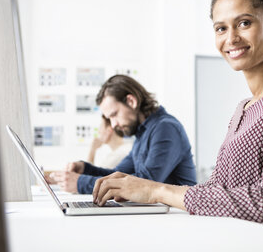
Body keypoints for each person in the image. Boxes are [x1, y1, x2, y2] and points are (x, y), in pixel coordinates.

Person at [92, 0, 263, 229]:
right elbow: (217, 187)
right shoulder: (244, 108)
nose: (231, 38)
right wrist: (143, 191)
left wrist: (157, 191)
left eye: (244, 23)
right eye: (221, 28)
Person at [51, 75, 197, 194]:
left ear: (131, 101)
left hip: (177, 218)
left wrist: (80, 183)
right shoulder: (143, 133)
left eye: (114, 115)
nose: (113, 124)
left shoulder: (165, 128)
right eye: (109, 118)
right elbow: (116, 174)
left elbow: (147, 183)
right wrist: (85, 169)